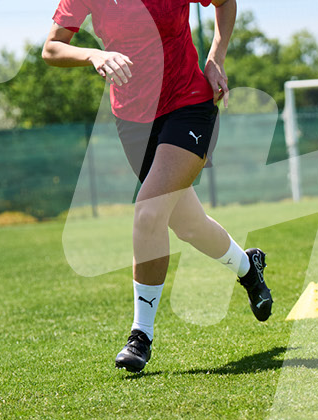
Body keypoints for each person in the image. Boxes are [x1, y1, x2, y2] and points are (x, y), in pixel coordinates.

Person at [40, 0, 273, 373]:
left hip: (188, 105)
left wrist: (216, 57)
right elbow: (52, 48)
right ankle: (248, 267)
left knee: (149, 211)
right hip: (133, 120)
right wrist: (94, 55)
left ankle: (140, 335)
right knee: (189, 225)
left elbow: (225, 2)